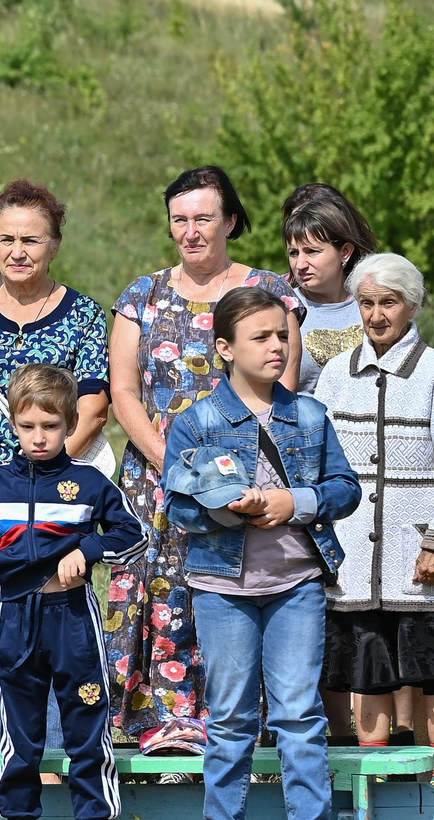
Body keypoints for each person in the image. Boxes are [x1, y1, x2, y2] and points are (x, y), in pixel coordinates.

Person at [103, 166, 306, 753]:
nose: (191, 231)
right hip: (156, 477)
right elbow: (124, 391)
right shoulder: (142, 296)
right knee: (159, 590)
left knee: (235, 593)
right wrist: (172, 463)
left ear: (231, 221)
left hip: (245, 480)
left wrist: (226, 479)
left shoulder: (269, 291)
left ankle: (236, 732)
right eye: (180, 220)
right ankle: (163, 730)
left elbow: (282, 389)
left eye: (203, 218)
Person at [162, 286, 358, 820]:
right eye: (261, 337)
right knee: (228, 716)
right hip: (221, 588)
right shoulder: (195, 422)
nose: (277, 346)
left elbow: (345, 488)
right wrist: (228, 509)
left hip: (296, 585)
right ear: (225, 348)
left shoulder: (310, 415)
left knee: (299, 712)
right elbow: (177, 507)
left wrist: (295, 501)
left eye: (282, 335)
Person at [0, 180, 112, 761]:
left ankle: (63, 759)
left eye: (30, 240)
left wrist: (46, 473)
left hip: (63, 498)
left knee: (62, 623)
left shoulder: (84, 315)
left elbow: (94, 406)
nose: (16, 251)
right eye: (5, 239)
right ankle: (6, 759)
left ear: (54, 244)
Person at [0, 365, 145, 820]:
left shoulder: (88, 483)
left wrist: (88, 550)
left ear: (70, 424)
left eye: (50, 426)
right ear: (12, 425)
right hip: (15, 621)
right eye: (27, 427)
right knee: (19, 734)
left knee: (87, 726)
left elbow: (133, 534)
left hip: (73, 621)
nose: (39, 437)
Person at [312, 253, 434, 747]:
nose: (376, 315)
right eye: (366, 303)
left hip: (418, 561)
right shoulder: (336, 373)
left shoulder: (431, 372)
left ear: (412, 306)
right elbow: (317, 464)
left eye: (389, 303)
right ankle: (372, 787)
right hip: (354, 564)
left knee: (429, 680)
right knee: (368, 676)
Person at [282, 182, 376, 371]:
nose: (300, 265)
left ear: (345, 252)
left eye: (312, 251)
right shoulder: (282, 308)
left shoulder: (374, 302)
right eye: (294, 253)